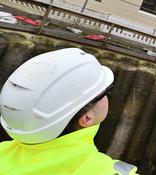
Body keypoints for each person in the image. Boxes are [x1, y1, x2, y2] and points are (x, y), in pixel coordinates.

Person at [0, 48, 138, 175]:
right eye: (105, 91)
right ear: (87, 118)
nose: (108, 96)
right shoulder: (106, 171)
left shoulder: (2, 152)